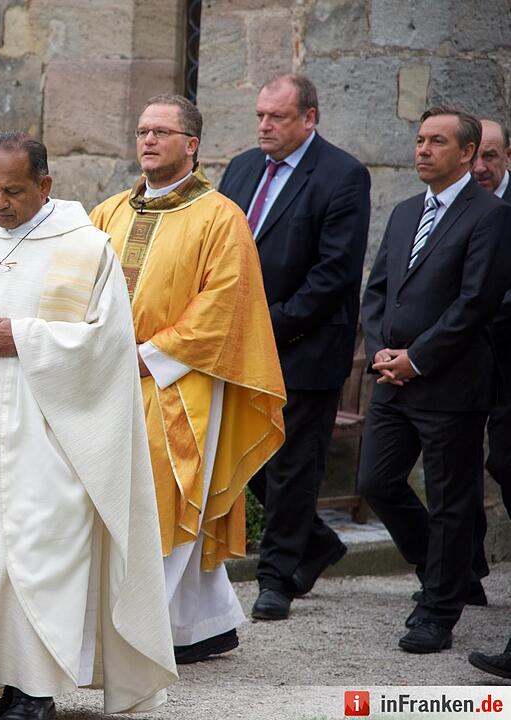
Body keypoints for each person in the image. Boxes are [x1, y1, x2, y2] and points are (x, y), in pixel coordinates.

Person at [0, 132, 177, 719]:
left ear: (46, 185)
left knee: (31, 558)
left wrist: (21, 337)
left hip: (52, 434)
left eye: (14, 191)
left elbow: (109, 346)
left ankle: (36, 694)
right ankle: (8, 683)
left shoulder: (87, 250)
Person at [90, 95, 286, 664]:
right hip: (108, 375)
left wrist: (150, 353)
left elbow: (225, 303)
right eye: (142, 131)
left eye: (162, 132)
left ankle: (139, 632)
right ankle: (200, 625)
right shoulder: (108, 212)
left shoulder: (220, 216)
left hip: (180, 379)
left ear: (191, 145)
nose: (148, 140)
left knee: (168, 496)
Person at [359, 106, 511, 653]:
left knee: (450, 500)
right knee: (376, 481)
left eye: (437, 142)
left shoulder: (489, 215)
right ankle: (446, 572)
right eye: (420, 140)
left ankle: (437, 613)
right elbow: (378, 292)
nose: (422, 149)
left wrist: (417, 358)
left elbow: (475, 304)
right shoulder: (403, 213)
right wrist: (381, 352)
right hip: (391, 380)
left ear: (467, 153)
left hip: (448, 383)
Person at [218, 73, 370, 619]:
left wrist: (267, 326)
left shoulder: (342, 175)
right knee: (246, 458)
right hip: (238, 345)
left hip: (303, 346)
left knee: (291, 466)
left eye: (276, 117)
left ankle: (276, 579)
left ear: (309, 118)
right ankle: (318, 542)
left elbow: (334, 274)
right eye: (260, 114)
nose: (264, 125)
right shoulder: (239, 168)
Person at [475, 119, 511, 520]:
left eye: (491, 156)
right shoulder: (457, 203)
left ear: (508, 155)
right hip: (460, 357)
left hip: (505, 354)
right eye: (476, 156)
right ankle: (465, 577)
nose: (481, 167)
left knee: (504, 462)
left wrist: (468, 321)